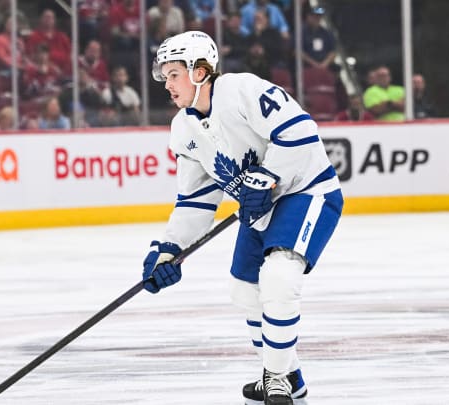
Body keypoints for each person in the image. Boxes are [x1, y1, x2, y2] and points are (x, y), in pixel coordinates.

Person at [144, 31, 342, 405]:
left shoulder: (242, 90)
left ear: (200, 71)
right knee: (244, 290)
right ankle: (289, 376)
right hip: (261, 210)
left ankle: (275, 378)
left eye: (173, 74)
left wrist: (267, 176)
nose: (167, 84)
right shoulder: (183, 129)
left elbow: (301, 131)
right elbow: (195, 201)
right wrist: (168, 250)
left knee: (279, 277)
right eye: (165, 76)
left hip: (306, 192)